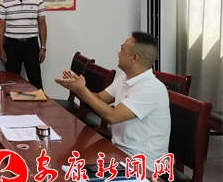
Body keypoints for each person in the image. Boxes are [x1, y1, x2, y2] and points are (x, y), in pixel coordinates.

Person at [54, 31, 171, 171]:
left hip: (144, 165)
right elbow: (99, 98)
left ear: (134, 58)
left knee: (72, 171)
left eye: (122, 50)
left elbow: (112, 116)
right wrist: (79, 88)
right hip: (119, 153)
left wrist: (82, 90)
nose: (118, 54)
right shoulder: (125, 77)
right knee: (67, 161)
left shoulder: (150, 88)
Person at [0, 0, 47, 89]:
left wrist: (43, 47)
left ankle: (39, 101)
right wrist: (0, 49)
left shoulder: (37, 1)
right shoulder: (4, 2)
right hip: (11, 45)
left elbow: (42, 25)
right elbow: (0, 26)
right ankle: (11, 101)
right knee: (11, 80)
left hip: (31, 44)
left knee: (35, 79)